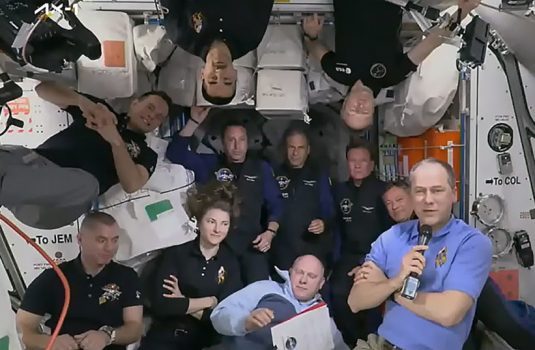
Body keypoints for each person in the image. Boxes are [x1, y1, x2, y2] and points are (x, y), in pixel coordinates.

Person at [356, 178, 535, 350]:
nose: (394, 206)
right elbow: (368, 277)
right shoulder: (390, 234)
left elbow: (449, 307)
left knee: (506, 320)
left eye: (399, 199)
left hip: (461, 283)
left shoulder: (438, 223)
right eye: (388, 203)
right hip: (423, 310)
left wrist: (390, 289)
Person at [347, 158, 493, 350]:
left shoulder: (472, 243)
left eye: (437, 190)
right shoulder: (391, 237)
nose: (428, 199)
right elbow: (355, 301)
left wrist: (392, 293)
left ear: (454, 194)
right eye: (420, 191)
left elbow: (449, 313)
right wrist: (396, 280)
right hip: (380, 344)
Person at [0, 81, 171, 230]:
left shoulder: (147, 154)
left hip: (60, 203)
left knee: (88, 184)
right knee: (12, 154)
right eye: (150, 107)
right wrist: (82, 102)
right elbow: (43, 89)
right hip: (31, 170)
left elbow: (132, 184)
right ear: (134, 103)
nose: (151, 115)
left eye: (158, 117)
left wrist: (115, 141)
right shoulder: (101, 110)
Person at [301, 0, 481, 130]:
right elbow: (433, 41)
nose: (360, 107)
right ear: (373, 110)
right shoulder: (393, 76)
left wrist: (311, 35)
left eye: (353, 110)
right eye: (364, 113)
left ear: (345, 103)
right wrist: (463, 12)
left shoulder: (337, 72)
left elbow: (314, 46)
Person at [166, 107, 283, 284]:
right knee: (224, 294)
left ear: (247, 141)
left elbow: (276, 204)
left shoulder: (261, 168)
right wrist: (194, 122)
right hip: (219, 246)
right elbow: (176, 152)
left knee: (259, 291)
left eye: (241, 140)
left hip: (252, 244)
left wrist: (270, 233)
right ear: (223, 142)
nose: (237, 146)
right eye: (231, 140)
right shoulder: (210, 165)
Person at [16, 212, 144, 350]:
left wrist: (107, 336)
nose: (110, 248)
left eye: (114, 240)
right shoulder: (53, 277)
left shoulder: (127, 276)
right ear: (80, 239)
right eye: (101, 240)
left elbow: (134, 329)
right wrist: (49, 342)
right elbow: (23, 329)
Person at [139, 181, 242, 350]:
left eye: (224, 224)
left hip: (203, 342)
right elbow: (162, 305)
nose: (218, 229)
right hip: (166, 335)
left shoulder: (230, 261)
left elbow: (223, 318)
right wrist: (210, 301)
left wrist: (183, 301)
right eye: (211, 221)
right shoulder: (177, 253)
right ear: (199, 222)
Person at [210, 254, 349, 350]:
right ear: (290, 272)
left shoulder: (323, 320)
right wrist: (244, 322)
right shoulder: (266, 288)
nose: (303, 280)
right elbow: (218, 314)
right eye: (300, 272)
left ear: (321, 283)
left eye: (312, 276)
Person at [330, 140, 393, 347]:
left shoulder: (383, 192)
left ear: (372, 164)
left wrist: (370, 262)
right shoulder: (339, 191)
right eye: (352, 161)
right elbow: (335, 226)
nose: (357, 165)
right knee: (337, 295)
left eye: (362, 161)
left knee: (370, 302)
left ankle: (372, 343)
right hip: (347, 256)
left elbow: (391, 232)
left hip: (376, 257)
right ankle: (353, 343)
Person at [161, 0, 275, 105]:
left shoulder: (181, 35)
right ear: (235, 75)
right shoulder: (251, 38)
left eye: (213, 80)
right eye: (227, 80)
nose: (220, 73)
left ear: (202, 74)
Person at [271, 124, 335, 272]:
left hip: (311, 247)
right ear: (285, 149)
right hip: (282, 249)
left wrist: (323, 223)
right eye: (291, 147)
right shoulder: (274, 173)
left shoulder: (318, 174)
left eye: (300, 148)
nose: (295, 153)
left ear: (308, 150)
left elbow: (329, 208)